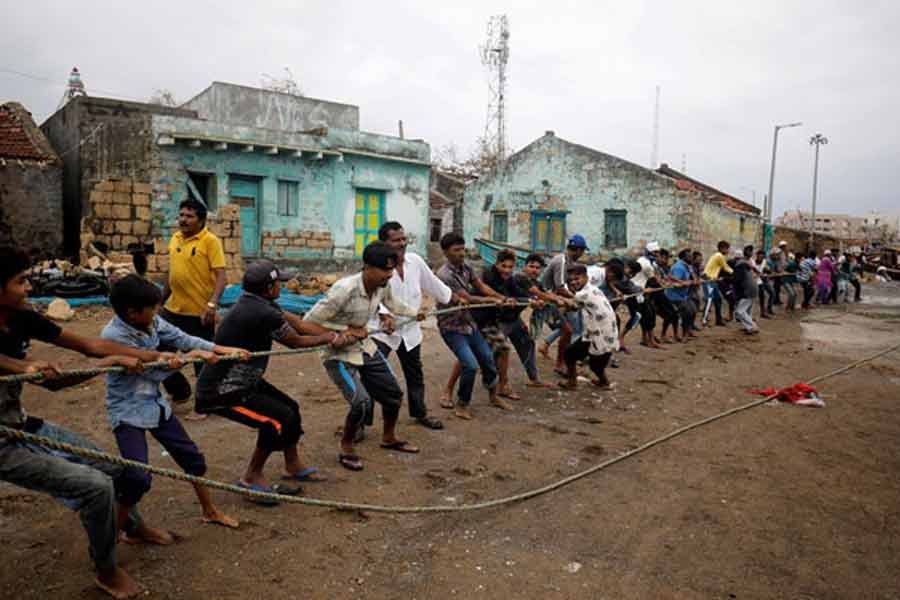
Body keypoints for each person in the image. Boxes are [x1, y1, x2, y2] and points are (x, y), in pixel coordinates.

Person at [0, 246, 177, 599]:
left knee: (117, 468)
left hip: (20, 423)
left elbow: (89, 348)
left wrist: (150, 356)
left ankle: (132, 526)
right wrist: (22, 367)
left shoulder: (21, 317)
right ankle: (106, 570)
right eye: (21, 282)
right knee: (95, 488)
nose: (29, 289)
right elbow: (22, 369)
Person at [101, 275, 245, 534]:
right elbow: (151, 373)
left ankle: (209, 511)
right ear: (133, 313)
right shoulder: (113, 337)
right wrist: (189, 358)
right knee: (137, 478)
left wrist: (222, 349)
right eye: (153, 308)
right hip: (127, 410)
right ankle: (114, 539)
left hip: (155, 405)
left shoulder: (152, 321)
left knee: (193, 460)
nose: (157, 312)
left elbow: (184, 339)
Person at [196, 261, 348, 499]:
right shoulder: (262, 311)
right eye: (279, 283)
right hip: (222, 390)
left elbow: (299, 324)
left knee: (291, 409)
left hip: (245, 382)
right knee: (273, 422)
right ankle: (251, 476)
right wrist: (330, 338)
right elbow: (295, 340)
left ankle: (292, 464)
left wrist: (341, 334)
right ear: (268, 288)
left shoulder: (258, 303)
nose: (283, 286)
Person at [305, 242, 425, 470]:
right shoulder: (344, 290)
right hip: (337, 353)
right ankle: (347, 446)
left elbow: (391, 303)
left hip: (364, 346)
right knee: (360, 402)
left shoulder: (382, 285)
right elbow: (308, 323)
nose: (389, 275)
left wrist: (413, 313)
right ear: (367, 267)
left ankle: (388, 438)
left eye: (391, 270)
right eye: (384, 270)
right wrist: (340, 334)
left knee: (393, 394)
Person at [370, 222, 453, 430]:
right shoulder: (375, 265)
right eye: (396, 240)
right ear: (384, 243)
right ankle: (363, 422)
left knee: (415, 374)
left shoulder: (415, 262)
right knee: (372, 376)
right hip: (382, 332)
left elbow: (434, 284)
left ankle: (419, 412)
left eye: (403, 238)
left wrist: (455, 298)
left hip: (410, 331)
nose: (402, 243)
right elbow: (370, 293)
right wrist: (383, 314)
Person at [160, 199, 227, 421]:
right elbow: (173, 273)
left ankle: (205, 405)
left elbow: (221, 276)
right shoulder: (175, 238)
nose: (183, 220)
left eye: (189, 216)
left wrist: (212, 304)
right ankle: (180, 393)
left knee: (203, 361)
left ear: (201, 220)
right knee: (157, 350)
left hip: (199, 312)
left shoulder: (210, 241)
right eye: (181, 215)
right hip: (172, 310)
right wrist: (160, 301)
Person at [434, 233, 507, 421]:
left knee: (488, 358)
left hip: (468, 323)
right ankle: (462, 404)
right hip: (451, 327)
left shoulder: (466, 268)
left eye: (462, 249)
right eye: (456, 250)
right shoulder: (444, 275)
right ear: (445, 252)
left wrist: (500, 297)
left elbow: (481, 286)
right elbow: (467, 297)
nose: (461, 253)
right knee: (469, 364)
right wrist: (491, 299)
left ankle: (493, 395)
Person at [557, 264, 619, 391]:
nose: (574, 282)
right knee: (577, 356)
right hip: (601, 332)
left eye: (577, 278)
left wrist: (555, 301)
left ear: (586, 277)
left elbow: (572, 305)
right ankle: (600, 382)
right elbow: (575, 305)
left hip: (599, 334)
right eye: (571, 280)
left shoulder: (583, 294)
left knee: (579, 358)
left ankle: (576, 383)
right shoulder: (593, 288)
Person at [538, 234, 589, 374]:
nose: (582, 254)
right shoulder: (561, 261)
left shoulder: (570, 263)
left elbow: (569, 285)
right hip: (548, 298)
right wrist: (576, 298)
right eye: (582, 251)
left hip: (559, 298)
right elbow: (560, 287)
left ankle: (557, 353)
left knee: (572, 327)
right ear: (578, 250)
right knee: (570, 329)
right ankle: (564, 362)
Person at [665, 249, 696, 340]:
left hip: (682, 295)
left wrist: (689, 281)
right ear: (684, 257)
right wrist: (685, 283)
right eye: (689, 256)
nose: (691, 258)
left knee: (693, 310)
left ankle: (688, 331)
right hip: (675, 295)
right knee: (688, 312)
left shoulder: (686, 266)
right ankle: (684, 334)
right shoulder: (679, 267)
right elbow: (673, 282)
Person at [653, 248, 681, 343]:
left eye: (666, 259)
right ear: (659, 257)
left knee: (675, 314)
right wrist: (667, 284)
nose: (665, 261)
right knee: (668, 315)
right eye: (664, 258)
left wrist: (675, 281)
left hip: (661, 294)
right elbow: (658, 280)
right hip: (655, 296)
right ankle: (662, 336)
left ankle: (675, 334)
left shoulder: (662, 267)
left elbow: (667, 278)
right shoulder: (654, 267)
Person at [702, 240, 733, 326]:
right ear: (722, 248)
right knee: (709, 300)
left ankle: (718, 320)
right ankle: (704, 320)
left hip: (713, 280)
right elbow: (726, 268)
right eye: (727, 249)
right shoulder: (719, 256)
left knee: (718, 299)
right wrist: (736, 273)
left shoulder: (717, 256)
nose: (728, 251)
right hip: (708, 280)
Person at [733, 245, 759, 335]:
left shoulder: (740, 265)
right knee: (747, 311)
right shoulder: (746, 265)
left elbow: (737, 280)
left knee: (739, 312)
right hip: (753, 289)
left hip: (749, 291)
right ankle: (748, 327)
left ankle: (752, 326)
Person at [753, 249, 775, 319]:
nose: (761, 258)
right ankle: (761, 312)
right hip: (755, 281)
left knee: (769, 293)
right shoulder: (753, 262)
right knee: (757, 296)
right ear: (757, 256)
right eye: (760, 256)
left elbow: (767, 270)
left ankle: (766, 310)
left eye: (762, 257)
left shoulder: (764, 262)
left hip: (762, 280)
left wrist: (767, 271)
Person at [772, 241, 789, 305]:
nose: (786, 247)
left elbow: (783, 261)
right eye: (785, 246)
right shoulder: (779, 251)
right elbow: (776, 260)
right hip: (778, 271)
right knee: (776, 286)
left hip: (780, 271)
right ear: (783, 246)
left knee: (777, 287)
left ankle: (777, 299)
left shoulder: (782, 252)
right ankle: (775, 300)